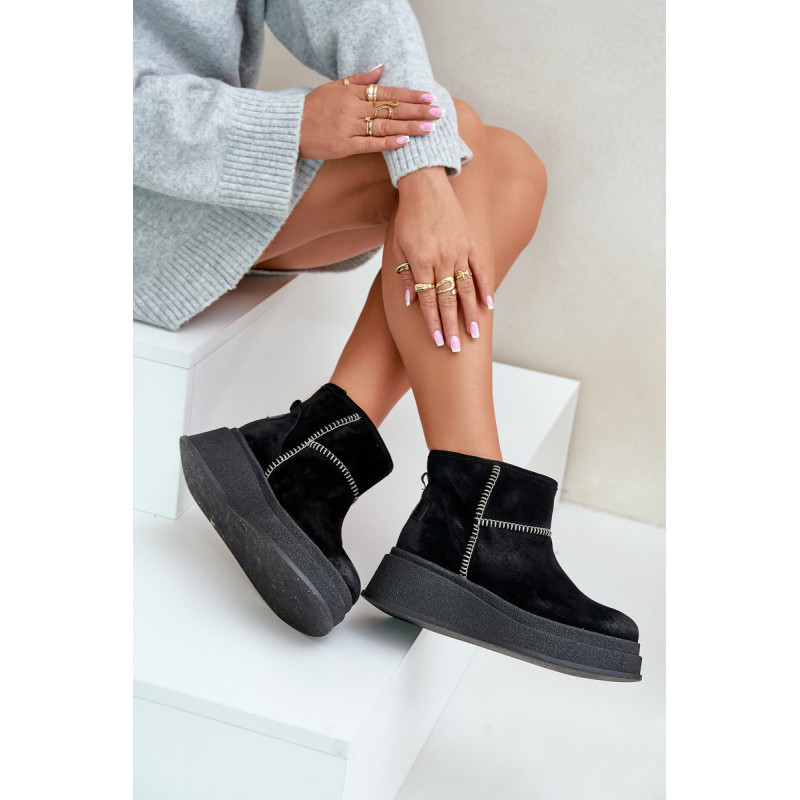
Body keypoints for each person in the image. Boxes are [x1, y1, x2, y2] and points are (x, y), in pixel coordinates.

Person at [136, 0, 642, 681]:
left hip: (201, 180)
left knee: (511, 166)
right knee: (460, 139)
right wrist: (291, 124)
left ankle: (313, 456)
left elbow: (354, 8)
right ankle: (476, 514)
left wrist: (424, 175)